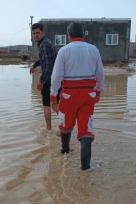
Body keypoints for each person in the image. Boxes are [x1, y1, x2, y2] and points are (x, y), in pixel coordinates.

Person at [50, 22, 104, 171]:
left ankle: (65, 151)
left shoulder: (64, 51)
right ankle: (85, 168)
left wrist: (53, 97)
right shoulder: (93, 50)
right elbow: (100, 74)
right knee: (86, 130)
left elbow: (56, 77)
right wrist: (98, 91)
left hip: (68, 96)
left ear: (69, 35)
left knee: (65, 125)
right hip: (88, 95)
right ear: (83, 34)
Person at [30, 23, 57, 130]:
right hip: (55, 77)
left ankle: (49, 129)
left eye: (38, 33)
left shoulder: (44, 44)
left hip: (49, 78)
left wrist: (41, 81)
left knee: (47, 104)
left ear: (43, 33)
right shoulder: (46, 42)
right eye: (34, 33)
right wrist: (35, 65)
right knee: (55, 103)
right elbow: (44, 59)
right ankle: (66, 125)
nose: (35, 35)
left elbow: (47, 65)